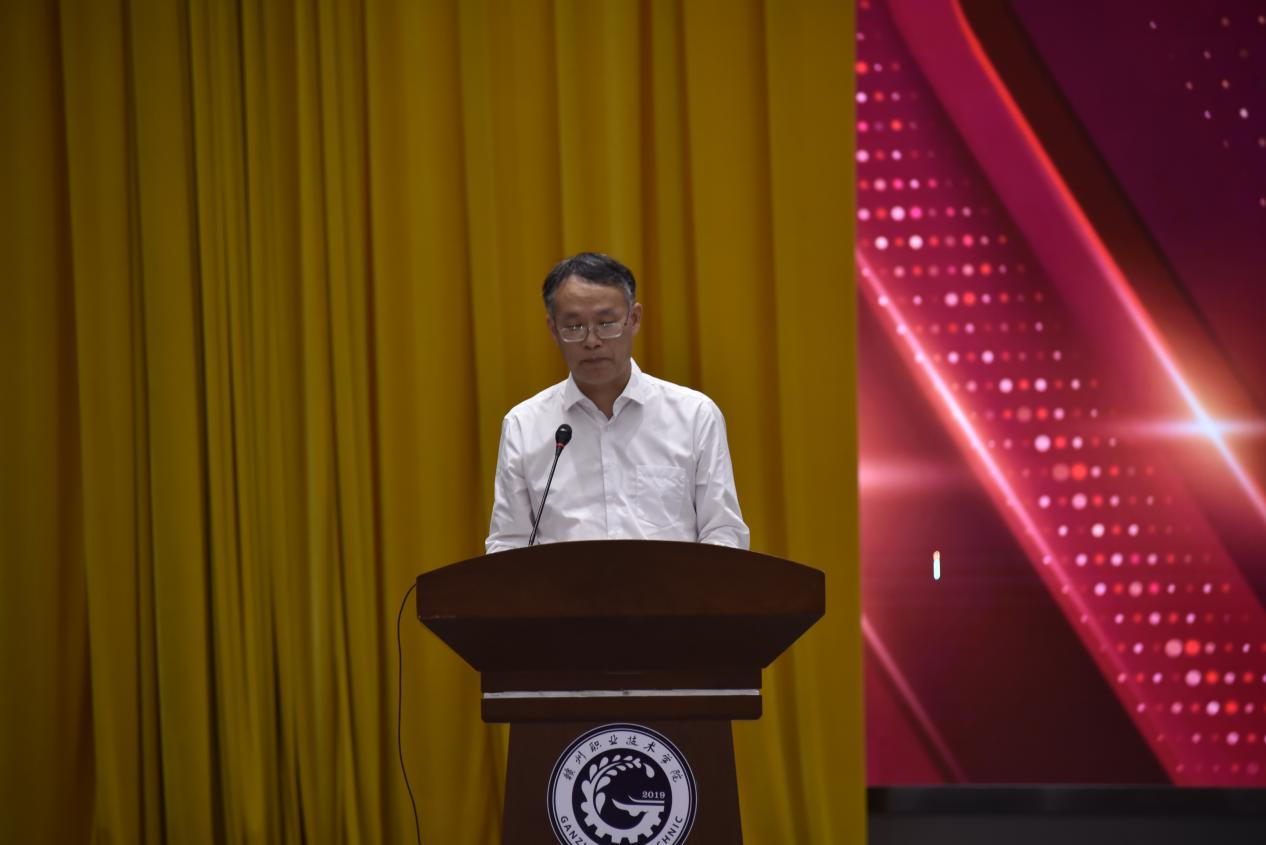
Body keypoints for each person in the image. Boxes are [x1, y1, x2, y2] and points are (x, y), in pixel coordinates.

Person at [485, 252, 750, 552]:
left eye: (606, 323)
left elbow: (723, 532)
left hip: (671, 585)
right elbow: (508, 543)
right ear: (553, 330)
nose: (591, 341)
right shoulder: (524, 425)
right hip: (563, 585)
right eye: (574, 327)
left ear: (633, 319)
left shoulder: (694, 416)